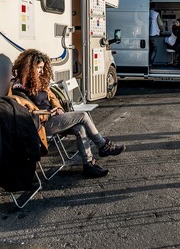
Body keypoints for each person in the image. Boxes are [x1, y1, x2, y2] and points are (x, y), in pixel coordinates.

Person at [11, 49, 124, 178]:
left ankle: (89, 165)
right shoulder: (18, 89)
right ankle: (103, 145)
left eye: (42, 68)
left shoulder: (38, 82)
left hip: (54, 117)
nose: (41, 71)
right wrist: (49, 113)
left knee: (80, 128)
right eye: (39, 68)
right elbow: (27, 114)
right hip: (42, 124)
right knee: (82, 115)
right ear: (29, 67)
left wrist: (57, 108)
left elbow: (52, 97)